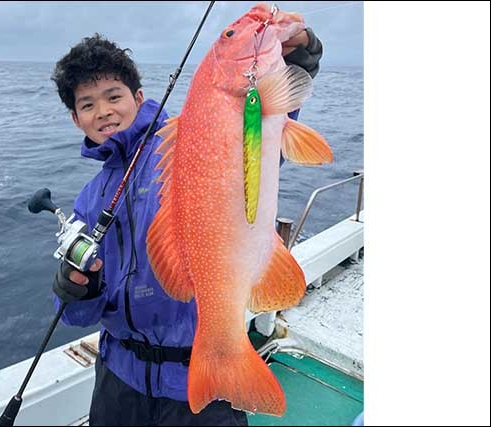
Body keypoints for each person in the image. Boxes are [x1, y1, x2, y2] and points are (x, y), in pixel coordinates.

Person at [49, 27, 323, 426]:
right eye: (88, 104)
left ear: (138, 98)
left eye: (114, 96)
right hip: (118, 378)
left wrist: (297, 63)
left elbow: (255, 140)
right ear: (76, 119)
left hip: (193, 375)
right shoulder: (90, 199)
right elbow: (79, 312)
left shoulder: (191, 139)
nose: (104, 110)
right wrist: (74, 290)